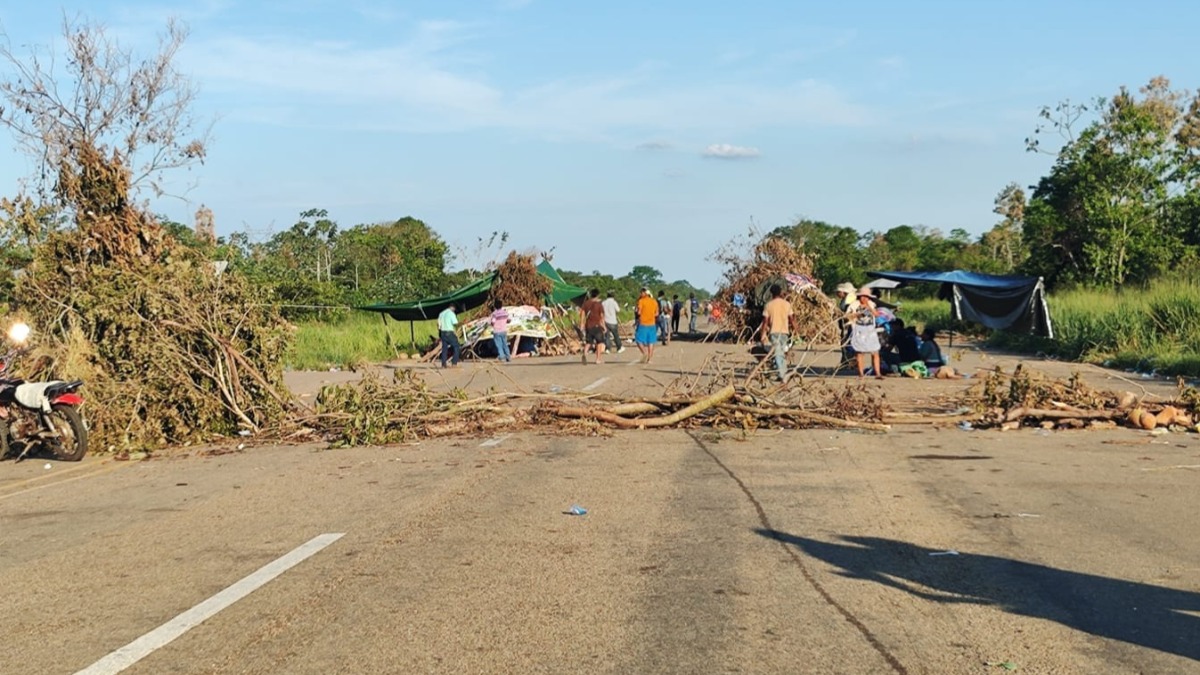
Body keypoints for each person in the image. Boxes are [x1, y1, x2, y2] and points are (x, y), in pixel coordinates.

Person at [760, 284, 796, 382]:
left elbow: (765, 322)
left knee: (778, 353)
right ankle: (782, 372)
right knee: (781, 352)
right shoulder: (787, 304)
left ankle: (782, 373)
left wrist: (763, 334)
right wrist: (796, 330)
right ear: (780, 292)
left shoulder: (768, 305)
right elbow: (792, 319)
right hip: (784, 332)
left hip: (774, 332)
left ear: (771, 293)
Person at [846, 287, 883, 379]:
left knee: (875, 351)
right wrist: (857, 315)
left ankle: (878, 373)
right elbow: (847, 316)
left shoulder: (871, 304)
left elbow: (877, 314)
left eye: (866, 296)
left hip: (870, 329)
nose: (864, 298)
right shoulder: (854, 305)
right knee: (860, 352)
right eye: (862, 296)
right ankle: (861, 374)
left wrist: (869, 307)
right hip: (859, 329)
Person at [579, 288, 607, 364]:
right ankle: (598, 359)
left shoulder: (586, 304)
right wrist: (604, 326)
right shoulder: (599, 304)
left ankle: (584, 353)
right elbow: (601, 317)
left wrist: (582, 324)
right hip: (597, 326)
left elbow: (582, 314)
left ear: (591, 295)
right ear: (598, 295)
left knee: (589, 342)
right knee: (599, 342)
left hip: (588, 326)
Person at [634, 287, 659, 363]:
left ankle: (644, 353)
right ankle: (649, 359)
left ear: (645, 293)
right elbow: (657, 313)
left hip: (643, 323)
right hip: (652, 324)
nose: (641, 294)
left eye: (642, 292)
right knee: (651, 341)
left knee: (638, 340)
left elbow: (639, 312)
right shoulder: (654, 301)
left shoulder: (641, 301)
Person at [438, 303, 461, 368]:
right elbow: (455, 323)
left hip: (442, 332)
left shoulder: (441, 313)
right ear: (453, 308)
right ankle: (454, 362)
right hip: (449, 332)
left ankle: (443, 364)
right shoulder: (451, 313)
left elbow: (438, 324)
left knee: (444, 348)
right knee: (456, 346)